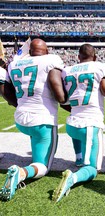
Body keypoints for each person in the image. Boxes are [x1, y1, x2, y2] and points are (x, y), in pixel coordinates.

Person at [50, 44, 105, 202]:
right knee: (93, 169)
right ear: (95, 57)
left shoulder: (68, 70)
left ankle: (79, 158)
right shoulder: (99, 67)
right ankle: (72, 178)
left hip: (71, 125)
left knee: (82, 151)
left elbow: (64, 98)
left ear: (78, 57)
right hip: (90, 124)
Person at [0, 38, 64, 201]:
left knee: (35, 138)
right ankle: (21, 173)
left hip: (21, 118)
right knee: (43, 167)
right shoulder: (52, 60)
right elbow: (58, 91)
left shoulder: (14, 64)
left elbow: (6, 91)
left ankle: (35, 156)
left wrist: (21, 104)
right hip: (42, 120)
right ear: (46, 51)